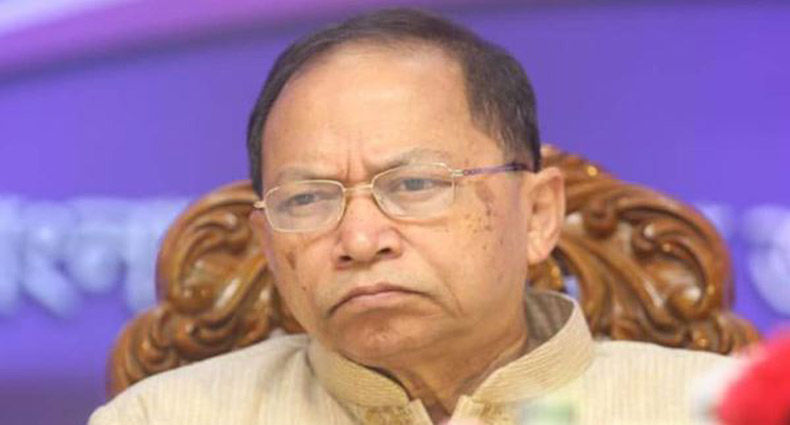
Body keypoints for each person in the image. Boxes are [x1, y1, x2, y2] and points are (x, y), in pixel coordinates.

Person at [90, 8, 733, 425]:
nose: (359, 239)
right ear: (266, 241)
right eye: (307, 199)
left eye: (416, 184)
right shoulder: (161, 417)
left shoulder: (712, 408)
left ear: (538, 214)